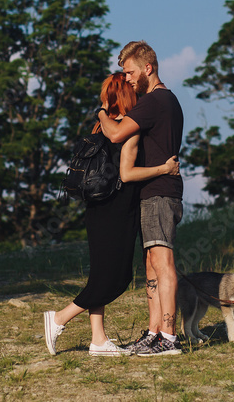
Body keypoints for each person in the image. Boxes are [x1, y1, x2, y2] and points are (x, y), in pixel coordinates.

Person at [43, 72, 180, 357]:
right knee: (116, 280)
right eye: (130, 88)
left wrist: (103, 110)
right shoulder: (127, 130)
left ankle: (98, 339)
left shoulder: (99, 126)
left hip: (96, 209)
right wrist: (164, 169)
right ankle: (59, 318)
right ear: (127, 95)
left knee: (100, 277)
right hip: (116, 212)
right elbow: (126, 174)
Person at [98, 41, 185, 357]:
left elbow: (116, 134)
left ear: (148, 68)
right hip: (157, 193)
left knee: (162, 263)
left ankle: (169, 338)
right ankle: (153, 333)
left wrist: (101, 112)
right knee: (151, 263)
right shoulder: (169, 101)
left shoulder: (153, 102)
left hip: (160, 193)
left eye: (131, 71)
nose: (129, 79)